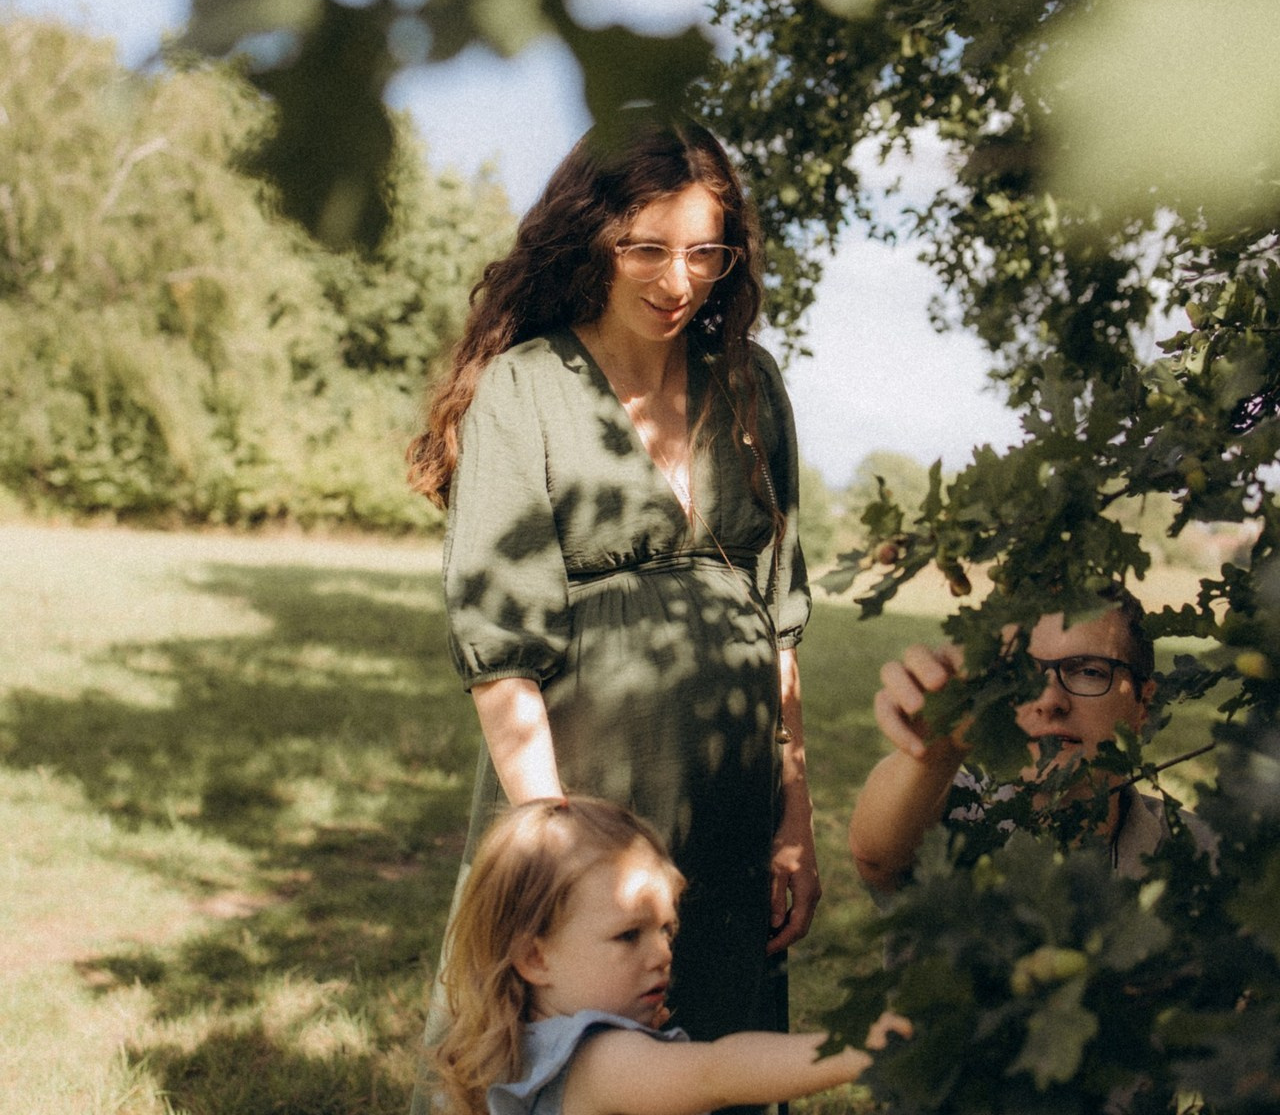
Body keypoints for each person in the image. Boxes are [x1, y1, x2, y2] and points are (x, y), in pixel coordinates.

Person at [407, 113, 817, 1079]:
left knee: (716, 1044)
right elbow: (500, 650)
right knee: (569, 1049)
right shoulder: (526, 387)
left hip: (729, 794)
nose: (680, 283)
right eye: (649, 250)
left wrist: (791, 821)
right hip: (585, 787)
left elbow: (780, 622)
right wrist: (563, 857)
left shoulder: (751, 387)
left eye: (706, 253)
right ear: (592, 237)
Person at [433, 796, 907, 1115]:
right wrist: (858, 1049)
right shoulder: (599, 1060)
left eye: (666, 929)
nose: (662, 953)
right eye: (628, 936)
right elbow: (715, 1072)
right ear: (535, 958)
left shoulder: (532, 1047)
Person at [848, 592, 1214, 894]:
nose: (1049, 700)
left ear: (1143, 704)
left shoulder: (1201, 856)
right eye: (1019, 673)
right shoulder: (947, 817)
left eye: (1088, 671)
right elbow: (878, 856)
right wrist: (928, 760)